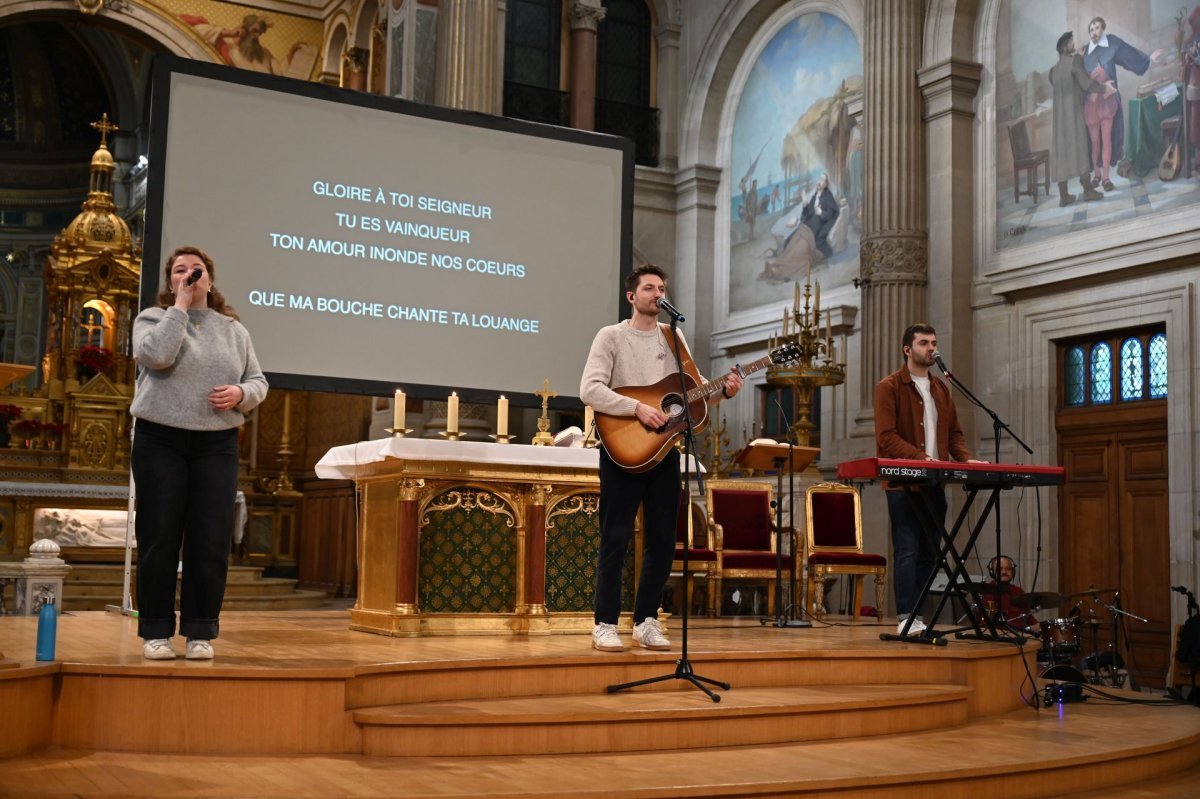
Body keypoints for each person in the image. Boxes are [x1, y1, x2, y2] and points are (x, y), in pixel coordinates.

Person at [580, 264, 742, 652]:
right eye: (649, 288)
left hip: (666, 451)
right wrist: (636, 408)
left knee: (663, 540)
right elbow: (590, 389)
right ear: (632, 296)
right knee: (615, 537)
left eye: (662, 288)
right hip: (623, 451)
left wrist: (726, 391)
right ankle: (604, 622)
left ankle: (646, 619)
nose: (658, 293)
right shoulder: (611, 336)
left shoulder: (674, 337)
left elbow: (695, 391)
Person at [131, 246, 268, 660]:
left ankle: (199, 631)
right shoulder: (152, 319)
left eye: (198, 270)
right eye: (180, 270)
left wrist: (242, 392)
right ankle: (155, 630)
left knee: (209, 540)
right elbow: (155, 355)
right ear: (170, 281)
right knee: (159, 537)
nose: (190, 275)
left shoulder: (233, 330)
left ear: (211, 278)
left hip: (215, 443)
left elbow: (259, 380)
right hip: (161, 438)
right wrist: (180, 308)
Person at [874, 324, 981, 635]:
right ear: (908, 349)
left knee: (930, 552)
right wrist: (923, 459)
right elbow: (886, 437)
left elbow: (955, 435)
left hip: (934, 481)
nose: (931, 348)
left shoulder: (940, 389)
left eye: (934, 343)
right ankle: (906, 616)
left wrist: (966, 459)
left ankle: (920, 616)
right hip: (904, 483)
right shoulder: (889, 387)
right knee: (907, 549)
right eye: (924, 343)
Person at [1082, 16, 1162, 192]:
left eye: (1097, 28)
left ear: (1103, 28)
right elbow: (1081, 82)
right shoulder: (1084, 53)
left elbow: (1129, 55)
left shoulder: (1112, 43)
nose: (1094, 31)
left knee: (1107, 139)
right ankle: (1096, 174)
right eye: (1091, 29)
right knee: (1094, 142)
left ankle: (1106, 178)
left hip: (1107, 102)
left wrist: (1148, 60)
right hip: (1091, 103)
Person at [1049, 31, 1110, 206]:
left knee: (1062, 153)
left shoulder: (1053, 71)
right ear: (1063, 47)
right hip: (1073, 114)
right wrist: (1104, 88)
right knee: (1081, 148)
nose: (1073, 44)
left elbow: (1059, 80)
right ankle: (1088, 191)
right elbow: (1086, 83)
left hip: (1060, 120)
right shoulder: (1074, 61)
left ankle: (1064, 196)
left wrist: (1079, 61)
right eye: (1070, 42)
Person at [979, 555, 1041, 635]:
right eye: (999, 569)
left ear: (1013, 572)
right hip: (1002, 639)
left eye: (1007, 569)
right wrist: (1024, 629)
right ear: (992, 572)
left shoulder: (1018, 591)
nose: (1004, 572)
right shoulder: (989, 592)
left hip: (1022, 636)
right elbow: (991, 624)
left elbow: (1029, 618)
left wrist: (1038, 626)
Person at [799, 173, 839, 259]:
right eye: (818, 179)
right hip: (810, 224)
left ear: (825, 184)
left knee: (802, 242)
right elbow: (807, 214)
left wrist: (821, 213)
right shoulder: (815, 196)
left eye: (822, 180)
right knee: (793, 238)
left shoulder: (828, 196)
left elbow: (831, 214)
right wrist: (805, 204)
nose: (819, 182)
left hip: (818, 225)